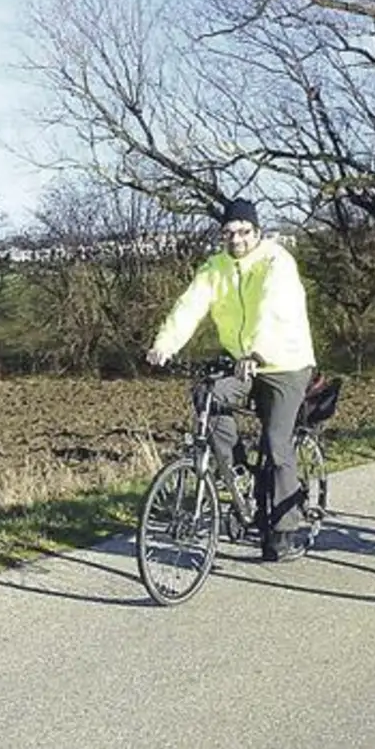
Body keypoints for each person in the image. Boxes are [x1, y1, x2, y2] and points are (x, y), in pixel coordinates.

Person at [146, 198, 318, 563]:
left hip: (284, 363)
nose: (236, 239)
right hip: (244, 364)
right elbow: (190, 305)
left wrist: (256, 353)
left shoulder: (277, 262)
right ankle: (239, 475)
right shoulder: (216, 267)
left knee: (275, 442)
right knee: (207, 395)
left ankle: (284, 530)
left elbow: (275, 309)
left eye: (243, 231)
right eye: (228, 232)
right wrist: (164, 345)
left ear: (257, 232)